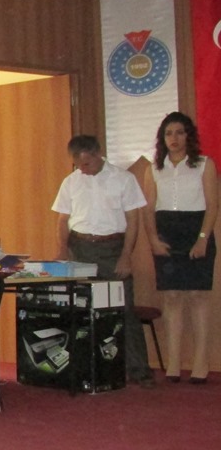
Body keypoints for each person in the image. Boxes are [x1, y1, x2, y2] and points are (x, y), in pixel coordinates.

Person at [52, 135, 155, 388]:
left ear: (98, 154)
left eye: (86, 164)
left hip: (112, 248)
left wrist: (126, 255)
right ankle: (85, 368)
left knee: (124, 310)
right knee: (81, 310)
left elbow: (133, 220)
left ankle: (139, 371)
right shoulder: (71, 182)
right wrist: (63, 249)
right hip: (80, 248)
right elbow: (62, 220)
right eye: (78, 165)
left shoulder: (123, 179)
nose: (83, 169)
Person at [141, 112, 218, 384]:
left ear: (188, 136)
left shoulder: (204, 164)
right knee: (172, 297)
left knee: (197, 296)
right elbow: (148, 209)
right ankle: (173, 363)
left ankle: (201, 363)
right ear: (162, 138)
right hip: (166, 233)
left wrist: (202, 238)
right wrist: (153, 239)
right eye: (168, 133)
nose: (174, 138)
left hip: (195, 230)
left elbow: (212, 205)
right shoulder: (154, 168)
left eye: (179, 132)